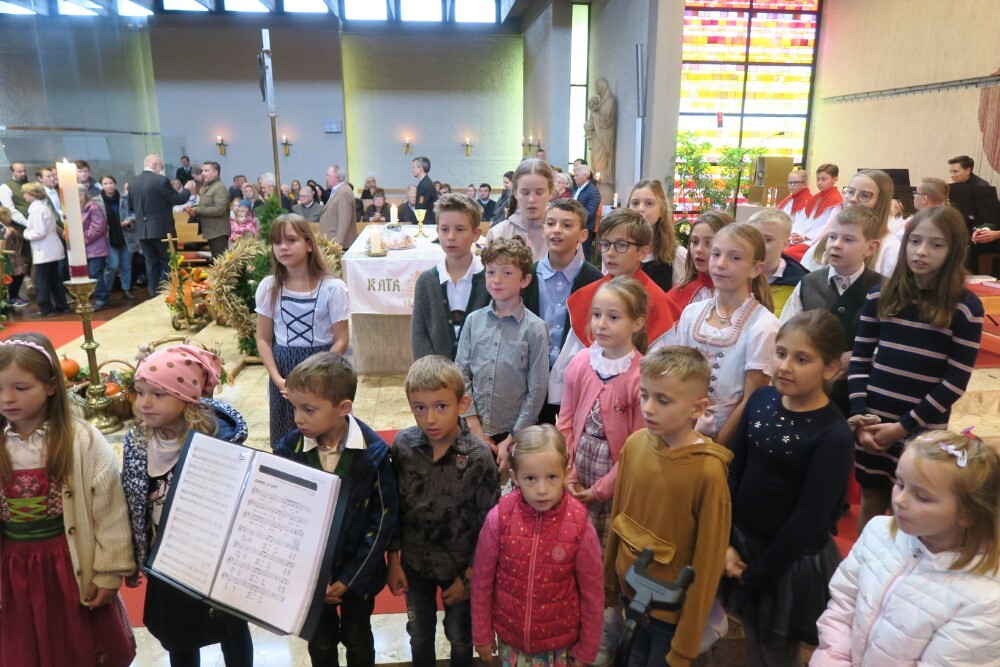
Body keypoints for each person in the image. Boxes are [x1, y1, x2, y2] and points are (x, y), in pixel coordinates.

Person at [722, 311, 854, 666]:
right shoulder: (760, 401)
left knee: (777, 650)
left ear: (830, 369)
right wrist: (726, 542)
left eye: (802, 359)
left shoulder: (833, 434)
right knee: (752, 636)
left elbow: (810, 518)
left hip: (788, 562)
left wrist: (759, 572)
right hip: (743, 544)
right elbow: (735, 470)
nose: (785, 366)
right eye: (780, 353)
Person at [0, 333, 136, 666]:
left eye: (21, 388)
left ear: (50, 386)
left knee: (75, 647)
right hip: (12, 570)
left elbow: (110, 511)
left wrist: (109, 572)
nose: (7, 399)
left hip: (68, 567)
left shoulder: (82, 440)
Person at [812, 430, 1000, 666]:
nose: (899, 500)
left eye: (922, 497)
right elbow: (844, 602)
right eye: (900, 484)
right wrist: (833, 659)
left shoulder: (987, 600)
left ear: (969, 513)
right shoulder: (878, 531)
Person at [848, 205, 983, 531]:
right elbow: (860, 358)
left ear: (953, 251)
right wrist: (860, 415)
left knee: (910, 507)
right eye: (915, 241)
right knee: (871, 499)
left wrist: (902, 427)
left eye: (936, 245)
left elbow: (954, 383)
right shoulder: (880, 295)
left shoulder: (965, 307)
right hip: (873, 421)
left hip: (922, 427)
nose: (921, 252)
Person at [120, 344, 253, 665]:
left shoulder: (217, 442)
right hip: (167, 563)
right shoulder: (137, 443)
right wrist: (135, 557)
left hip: (215, 562)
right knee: (178, 635)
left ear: (187, 398)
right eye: (140, 392)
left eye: (158, 394)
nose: (144, 403)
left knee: (231, 630)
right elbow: (132, 503)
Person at [605, 346, 732, 667]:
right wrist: (610, 584)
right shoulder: (635, 444)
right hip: (629, 592)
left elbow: (707, 562)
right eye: (644, 395)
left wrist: (685, 645)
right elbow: (619, 517)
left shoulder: (708, 472)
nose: (648, 408)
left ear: (697, 408)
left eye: (663, 400)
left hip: (669, 611)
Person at [274, 353, 399, 667]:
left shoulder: (374, 453)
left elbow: (383, 520)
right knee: (321, 642)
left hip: (359, 574)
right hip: (310, 577)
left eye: (309, 409)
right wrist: (312, 581)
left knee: (358, 638)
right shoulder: (288, 449)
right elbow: (282, 517)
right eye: (294, 407)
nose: (298, 418)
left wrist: (350, 578)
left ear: (343, 408)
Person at [388, 355, 500, 667]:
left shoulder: (479, 456)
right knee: (419, 633)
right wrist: (393, 560)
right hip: (414, 564)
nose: (430, 418)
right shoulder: (403, 447)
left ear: (462, 404)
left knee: (460, 636)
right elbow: (394, 507)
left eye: (441, 406)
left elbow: (490, 525)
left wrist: (470, 577)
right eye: (419, 407)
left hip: (460, 566)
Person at [471, 425, 603, 667]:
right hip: (512, 643)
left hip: (559, 647)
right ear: (514, 477)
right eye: (530, 478)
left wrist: (586, 650)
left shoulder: (580, 525)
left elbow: (592, 594)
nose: (542, 490)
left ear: (566, 473)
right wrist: (482, 633)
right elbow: (482, 581)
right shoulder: (499, 518)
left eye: (551, 477)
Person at [550, 209, 680, 409]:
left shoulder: (657, 302)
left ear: (643, 252)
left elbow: (663, 374)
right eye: (605, 244)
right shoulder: (587, 296)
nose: (610, 253)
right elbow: (568, 372)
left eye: (621, 245)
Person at [664, 223, 780, 445]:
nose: (720, 264)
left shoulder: (763, 326)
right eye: (716, 254)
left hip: (729, 438)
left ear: (756, 269)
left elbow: (751, 398)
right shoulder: (692, 313)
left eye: (734, 258)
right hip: (682, 426)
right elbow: (677, 375)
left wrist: (718, 445)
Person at [558, 276, 647, 550]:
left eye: (613, 317)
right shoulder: (581, 362)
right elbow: (565, 423)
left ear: (637, 324)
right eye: (596, 315)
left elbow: (636, 447)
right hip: (577, 470)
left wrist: (600, 490)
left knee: (602, 550)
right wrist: (569, 472)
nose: (601, 324)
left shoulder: (642, 376)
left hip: (615, 482)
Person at [256, 214, 350, 448]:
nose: (283, 247)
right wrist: (278, 380)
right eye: (277, 242)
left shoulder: (332, 288)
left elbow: (341, 340)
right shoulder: (269, 287)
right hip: (284, 368)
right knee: (287, 438)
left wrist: (317, 375)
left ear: (308, 244)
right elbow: (263, 339)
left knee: (324, 436)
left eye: (291, 240)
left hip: (323, 367)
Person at [780, 206, 883, 416]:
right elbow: (786, 331)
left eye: (848, 239)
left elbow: (894, 343)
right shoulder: (809, 283)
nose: (836, 245)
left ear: (870, 248)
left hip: (863, 396)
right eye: (832, 237)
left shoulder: (884, 290)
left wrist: (860, 357)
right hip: (809, 392)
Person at [456, 236, 549, 467]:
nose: (497, 280)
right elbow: (461, 374)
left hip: (514, 432)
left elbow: (537, 388)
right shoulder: (473, 321)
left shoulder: (535, 328)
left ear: (525, 280)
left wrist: (514, 436)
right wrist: (475, 427)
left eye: (507, 273)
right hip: (472, 427)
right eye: (490, 272)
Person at [522, 198, 602, 423]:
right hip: (533, 375)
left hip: (577, 375)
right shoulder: (527, 277)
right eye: (550, 223)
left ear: (583, 235)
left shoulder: (595, 281)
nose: (557, 230)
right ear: (543, 229)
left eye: (567, 225)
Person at [411, 194, 489, 361]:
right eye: (444, 229)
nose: (451, 237)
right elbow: (419, 336)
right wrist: (434, 372)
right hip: (435, 373)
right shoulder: (427, 281)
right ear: (437, 231)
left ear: (476, 234)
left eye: (460, 229)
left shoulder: (488, 280)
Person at [804, 169, 901, 278]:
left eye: (864, 195)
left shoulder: (891, 249)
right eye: (850, 192)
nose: (853, 199)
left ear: (881, 203)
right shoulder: (828, 240)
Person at [128, 154, 191, 297]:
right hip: (162, 229)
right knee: (169, 261)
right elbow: (177, 199)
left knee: (151, 262)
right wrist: (187, 189)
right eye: (161, 167)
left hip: (142, 231)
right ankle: (170, 293)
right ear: (154, 164)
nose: (161, 170)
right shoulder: (160, 180)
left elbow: (130, 206)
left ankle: (153, 294)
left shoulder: (132, 182)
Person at [664, 211, 732, 314]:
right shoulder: (679, 294)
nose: (699, 249)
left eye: (708, 243)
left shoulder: (744, 296)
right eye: (694, 242)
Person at [486, 158, 554, 261]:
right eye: (525, 193)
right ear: (515, 192)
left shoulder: (563, 234)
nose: (531, 200)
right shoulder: (497, 233)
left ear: (550, 192)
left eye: (539, 192)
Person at [21, 182, 69, 318]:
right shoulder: (43, 206)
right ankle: (62, 306)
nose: (23, 196)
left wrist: (26, 233)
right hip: (51, 248)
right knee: (54, 279)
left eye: (25, 193)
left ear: (32, 194)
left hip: (44, 250)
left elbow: (39, 232)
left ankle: (46, 309)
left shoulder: (37, 210)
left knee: (40, 280)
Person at [747, 208, 807, 317]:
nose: (757, 245)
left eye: (767, 240)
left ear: (785, 244)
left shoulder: (801, 285)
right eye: (752, 238)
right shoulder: (735, 275)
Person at [629, 178, 678, 292]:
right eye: (635, 203)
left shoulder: (675, 256)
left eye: (649, 203)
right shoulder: (616, 249)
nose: (641, 209)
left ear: (662, 210)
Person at [785, 163, 842, 262]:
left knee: (787, 254)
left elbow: (828, 227)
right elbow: (802, 220)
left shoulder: (836, 202)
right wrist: (795, 234)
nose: (819, 183)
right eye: (818, 179)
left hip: (815, 241)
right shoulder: (814, 199)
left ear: (834, 179)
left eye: (823, 179)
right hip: (802, 238)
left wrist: (805, 237)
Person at [97, 175, 135, 301]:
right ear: (102, 185)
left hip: (125, 235)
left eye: (111, 183)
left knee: (126, 265)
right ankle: (107, 290)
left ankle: (126, 289)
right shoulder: (97, 201)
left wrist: (129, 220)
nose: (109, 186)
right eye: (105, 183)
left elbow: (133, 212)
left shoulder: (124, 198)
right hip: (109, 236)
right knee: (112, 265)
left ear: (115, 184)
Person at [186, 160, 229, 258]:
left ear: (215, 173)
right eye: (203, 171)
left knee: (221, 262)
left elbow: (220, 209)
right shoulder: (207, 187)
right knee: (216, 261)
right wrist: (194, 211)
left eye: (206, 171)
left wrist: (197, 210)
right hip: (211, 231)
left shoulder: (219, 187)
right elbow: (205, 206)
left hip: (218, 231)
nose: (203, 173)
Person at [79, 184, 111, 310]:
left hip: (96, 247)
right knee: (92, 274)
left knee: (95, 273)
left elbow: (98, 227)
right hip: (86, 248)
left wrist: (81, 238)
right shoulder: (78, 208)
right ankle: (99, 297)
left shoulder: (93, 207)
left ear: (82, 196)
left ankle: (102, 299)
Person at [319, 164, 358, 248]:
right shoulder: (337, 190)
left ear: (336, 178)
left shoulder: (344, 192)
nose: (326, 178)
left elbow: (344, 220)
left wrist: (339, 243)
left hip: (338, 244)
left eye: (328, 175)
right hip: (331, 241)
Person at [0, 208, 28, 307]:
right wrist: (8, 233)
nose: (10, 218)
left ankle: (14, 296)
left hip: (14, 254)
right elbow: (2, 241)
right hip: (7, 256)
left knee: (20, 274)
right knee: (13, 276)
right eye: (9, 216)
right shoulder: (2, 228)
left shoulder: (7, 226)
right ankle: (11, 298)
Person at [572, 164, 601, 259]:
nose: (574, 178)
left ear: (585, 176)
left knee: (584, 253)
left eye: (576, 175)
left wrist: (574, 217)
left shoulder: (593, 191)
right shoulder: (576, 188)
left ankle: (586, 268)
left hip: (585, 227)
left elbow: (591, 213)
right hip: (576, 225)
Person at [412, 156, 438, 226]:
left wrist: (413, 223)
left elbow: (421, 207)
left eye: (414, 167)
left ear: (420, 168)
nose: (412, 170)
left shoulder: (424, 185)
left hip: (426, 223)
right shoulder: (425, 183)